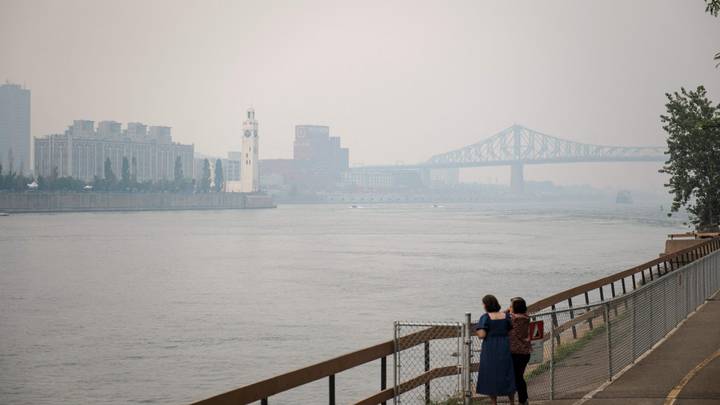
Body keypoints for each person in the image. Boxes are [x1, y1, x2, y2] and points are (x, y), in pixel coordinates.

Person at [475, 294, 516, 405]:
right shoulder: (505, 316)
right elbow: (509, 328)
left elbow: (482, 334)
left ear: (486, 305)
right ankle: (512, 401)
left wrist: (477, 330)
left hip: (490, 347)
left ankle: (494, 402)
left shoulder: (485, 317)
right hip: (504, 345)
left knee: (490, 374)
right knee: (506, 373)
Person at [508, 297, 532, 405]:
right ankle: (523, 399)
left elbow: (505, 317)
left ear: (514, 308)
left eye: (511, 306)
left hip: (516, 353)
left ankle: (522, 400)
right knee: (519, 377)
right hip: (525, 352)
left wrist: (507, 311)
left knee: (517, 378)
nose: (509, 308)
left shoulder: (513, 319)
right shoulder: (526, 317)